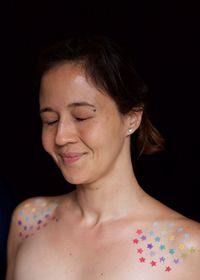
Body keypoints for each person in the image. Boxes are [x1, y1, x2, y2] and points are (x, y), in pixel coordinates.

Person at [6, 35, 200, 280]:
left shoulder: (188, 248)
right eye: (50, 121)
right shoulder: (29, 220)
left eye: (81, 116)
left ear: (131, 117)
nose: (61, 136)